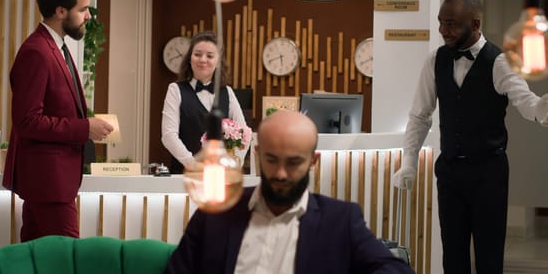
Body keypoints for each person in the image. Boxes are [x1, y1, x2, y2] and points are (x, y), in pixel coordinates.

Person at [393, 0, 548, 273]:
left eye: (452, 23)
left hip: (488, 174)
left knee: (489, 255)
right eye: (441, 22)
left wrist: (539, 113)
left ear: (476, 24)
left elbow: (524, 100)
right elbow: (420, 116)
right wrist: (408, 163)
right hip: (450, 173)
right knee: (453, 255)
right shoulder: (435, 60)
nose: (444, 30)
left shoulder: (499, 61)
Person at [165, 110, 414, 274]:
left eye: (293, 162)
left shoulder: (340, 221)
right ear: (258, 153)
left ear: (313, 161)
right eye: (272, 160)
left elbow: (394, 270)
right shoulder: (215, 212)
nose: (281, 173)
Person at [2, 0, 114, 242]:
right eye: (83, 9)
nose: (88, 16)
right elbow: (27, 121)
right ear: (61, 11)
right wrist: (84, 127)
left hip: (53, 183)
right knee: (66, 260)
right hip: (48, 183)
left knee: (40, 261)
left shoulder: (56, 48)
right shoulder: (36, 52)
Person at [161, 31, 249, 174]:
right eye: (197, 54)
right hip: (185, 175)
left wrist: (232, 164)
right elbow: (169, 136)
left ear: (218, 61)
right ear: (190, 58)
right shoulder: (175, 90)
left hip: (220, 176)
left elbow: (245, 133)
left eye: (209, 56)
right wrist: (194, 164)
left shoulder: (227, 92)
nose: (203, 60)